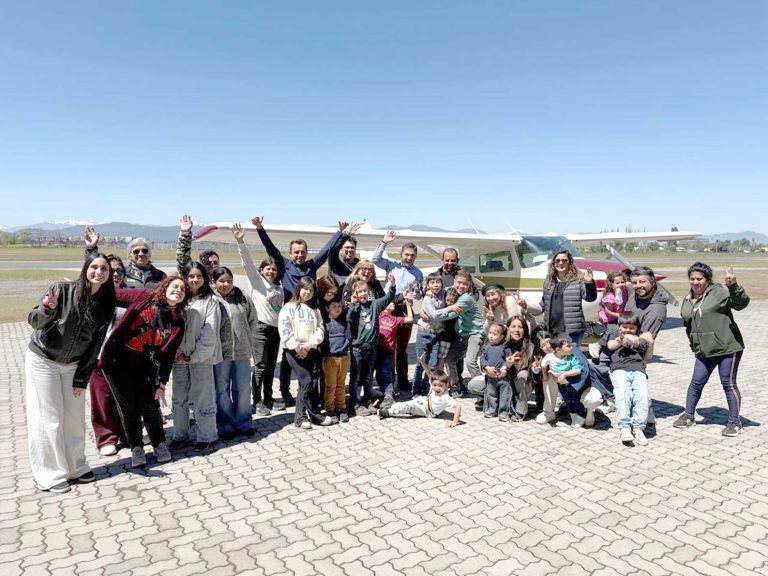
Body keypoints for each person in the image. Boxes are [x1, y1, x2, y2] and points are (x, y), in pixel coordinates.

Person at [26, 253, 116, 493]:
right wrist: (47, 308)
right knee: (49, 418)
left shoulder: (106, 305)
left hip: (73, 365)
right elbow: (34, 321)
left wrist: (82, 377)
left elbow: (96, 345)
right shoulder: (62, 290)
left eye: (104, 269)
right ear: (86, 268)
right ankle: (50, 474)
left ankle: (76, 466)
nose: (99, 272)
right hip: (43, 360)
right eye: (94, 267)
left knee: (74, 418)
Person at [252, 215, 346, 411]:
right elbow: (271, 249)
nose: (300, 255)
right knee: (288, 357)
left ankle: (312, 393)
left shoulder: (312, 265)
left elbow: (326, 250)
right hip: (290, 317)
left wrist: (339, 233)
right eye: (296, 252)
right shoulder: (285, 265)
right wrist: (260, 229)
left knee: (311, 355)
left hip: (309, 317)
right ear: (290, 253)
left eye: (303, 252)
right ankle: (285, 392)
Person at [101, 276, 189, 468]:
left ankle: (159, 444)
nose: (178, 290)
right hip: (117, 362)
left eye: (182, 289)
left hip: (146, 365)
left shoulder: (178, 322)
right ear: (165, 287)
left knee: (150, 406)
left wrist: (162, 383)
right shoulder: (144, 297)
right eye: (175, 286)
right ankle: (136, 447)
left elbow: (168, 356)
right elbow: (113, 294)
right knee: (128, 408)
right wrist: (83, 288)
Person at [674, 263, 749, 437]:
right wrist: (694, 345)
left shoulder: (719, 293)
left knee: (728, 384)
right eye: (692, 279)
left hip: (727, 348)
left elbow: (741, 304)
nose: (695, 282)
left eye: (699, 279)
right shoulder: (687, 299)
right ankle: (688, 415)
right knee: (696, 383)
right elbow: (688, 325)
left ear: (707, 279)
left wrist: (733, 286)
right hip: (704, 350)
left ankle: (734, 422)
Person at [169, 262, 221, 454]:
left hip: (200, 359)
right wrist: (177, 354)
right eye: (191, 276)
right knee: (179, 399)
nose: (194, 279)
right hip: (178, 359)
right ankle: (179, 435)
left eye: (198, 276)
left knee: (203, 398)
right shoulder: (179, 299)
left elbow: (209, 331)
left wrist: (195, 356)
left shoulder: (210, 301)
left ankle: (206, 435)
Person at [233, 224, 284, 416]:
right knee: (260, 366)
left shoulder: (278, 287)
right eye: (267, 269)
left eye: (273, 269)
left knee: (270, 366)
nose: (271, 272)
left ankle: (269, 398)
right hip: (260, 329)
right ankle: (257, 401)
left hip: (275, 330)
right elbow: (247, 263)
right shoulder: (256, 281)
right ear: (261, 270)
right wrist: (241, 242)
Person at [539, 250, 596, 397]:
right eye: (557, 260)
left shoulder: (578, 280)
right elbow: (542, 305)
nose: (560, 263)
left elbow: (590, 298)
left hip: (572, 331)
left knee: (580, 365)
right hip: (554, 332)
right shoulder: (549, 283)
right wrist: (525, 306)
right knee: (560, 366)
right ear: (553, 263)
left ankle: (602, 394)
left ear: (570, 262)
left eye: (564, 260)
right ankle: (564, 398)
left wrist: (589, 282)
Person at [277, 277, 333, 429]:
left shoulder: (314, 310)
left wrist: (309, 345)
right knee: (306, 381)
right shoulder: (288, 308)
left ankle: (300, 418)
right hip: (293, 351)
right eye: (305, 289)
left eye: (311, 290)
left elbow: (320, 329)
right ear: (299, 289)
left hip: (310, 350)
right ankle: (315, 415)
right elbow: (285, 329)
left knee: (307, 384)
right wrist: (297, 347)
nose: (307, 292)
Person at [372, 230, 423, 394]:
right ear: (401, 254)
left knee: (402, 348)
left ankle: (402, 381)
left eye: (412, 255)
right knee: (388, 346)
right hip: (389, 309)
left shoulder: (418, 273)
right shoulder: (391, 264)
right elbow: (375, 259)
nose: (409, 258)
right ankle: (389, 382)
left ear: (415, 257)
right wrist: (384, 242)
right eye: (406, 254)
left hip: (404, 311)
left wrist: (418, 291)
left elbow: (420, 294)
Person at [211, 266, 258, 440]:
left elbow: (253, 319)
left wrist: (244, 336)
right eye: (221, 281)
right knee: (221, 390)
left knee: (243, 389)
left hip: (242, 352)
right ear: (214, 282)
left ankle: (244, 423)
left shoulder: (242, 296)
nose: (226, 284)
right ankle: (226, 425)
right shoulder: (210, 299)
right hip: (219, 354)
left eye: (229, 280)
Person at [427, 271, 484, 402]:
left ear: (470, 286)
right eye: (459, 282)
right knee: (450, 359)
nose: (461, 286)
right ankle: (456, 386)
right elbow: (441, 290)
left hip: (475, 334)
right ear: (454, 282)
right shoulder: (455, 293)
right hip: (464, 335)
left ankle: (483, 391)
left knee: (470, 361)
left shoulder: (465, 299)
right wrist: (429, 292)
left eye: (465, 284)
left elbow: (449, 314)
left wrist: (434, 313)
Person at [347, 274, 396, 416]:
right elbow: (349, 319)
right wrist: (353, 304)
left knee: (368, 376)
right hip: (357, 348)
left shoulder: (375, 305)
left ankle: (367, 399)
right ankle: (354, 402)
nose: (363, 294)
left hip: (371, 348)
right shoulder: (355, 307)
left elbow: (388, 298)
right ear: (355, 294)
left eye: (365, 291)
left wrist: (392, 286)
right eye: (359, 292)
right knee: (355, 377)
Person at [599, 311, 651, 445]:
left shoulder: (640, 337)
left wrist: (649, 342)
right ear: (619, 326)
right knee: (623, 394)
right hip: (619, 369)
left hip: (638, 369)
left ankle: (639, 427)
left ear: (637, 328)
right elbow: (610, 346)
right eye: (625, 327)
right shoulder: (615, 335)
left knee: (642, 396)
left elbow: (647, 356)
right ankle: (625, 428)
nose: (628, 330)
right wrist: (621, 341)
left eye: (632, 328)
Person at [540, 333, 601, 428]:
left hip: (573, 384)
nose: (571, 348)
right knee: (567, 400)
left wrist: (564, 375)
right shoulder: (549, 356)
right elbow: (543, 365)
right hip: (561, 384)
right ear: (558, 349)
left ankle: (582, 415)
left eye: (571, 345)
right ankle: (573, 416)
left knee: (575, 399)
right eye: (568, 346)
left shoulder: (571, 357)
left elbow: (578, 370)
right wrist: (545, 375)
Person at [378, 370, 461, 428]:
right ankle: (388, 407)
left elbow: (458, 407)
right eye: (435, 385)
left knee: (408, 406)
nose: (437, 388)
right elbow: (429, 373)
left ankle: (386, 412)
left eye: (440, 386)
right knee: (405, 404)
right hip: (424, 400)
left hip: (426, 410)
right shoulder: (434, 384)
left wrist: (454, 421)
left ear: (446, 385)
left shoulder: (445, 397)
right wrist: (422, 362)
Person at [376, 297, 414, 408]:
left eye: (393, 303)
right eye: (389, 302)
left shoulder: (395, 319)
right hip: (377, 348)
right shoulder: (379, 315)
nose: (392, 304)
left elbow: (410, 319)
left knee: (386, 371)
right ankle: (381, 392)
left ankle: (389, 394)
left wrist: (407, 304)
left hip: (388, 350)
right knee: (378, 372)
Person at [321, 299, 350, 422]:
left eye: (339, 306)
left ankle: (341, 408)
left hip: (343, 357)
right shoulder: (325, 323)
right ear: (328, 308)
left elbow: (349, 336)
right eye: (334, 306)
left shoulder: (344, 322)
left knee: (341, 385)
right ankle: (330, 409)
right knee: (330, 386)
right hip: (330, 358)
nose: (337, 308)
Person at [480, 323, 514, 421]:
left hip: (503, 376)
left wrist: (505, 367)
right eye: (490, 333)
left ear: (502, 337)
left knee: (504, 394)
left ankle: (503, 412)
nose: (491, 335)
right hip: (491, 375)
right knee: (491, 393)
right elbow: (483, 359)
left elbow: (508, 360)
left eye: (495, 334)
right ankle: (492, 409)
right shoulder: (486, 347)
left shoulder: (505, 347)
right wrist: (487, 367)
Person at [506, 315, 535, 421]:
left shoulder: (530, 347)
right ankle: (488, 401)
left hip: (522, 383)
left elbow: (533, 374)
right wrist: (506, 365)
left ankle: (520, 412)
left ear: (525, 330)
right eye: (513, 326)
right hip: (505, 382)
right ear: (508, 328)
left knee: (523, 375)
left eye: (520, 327)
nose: (516, 330)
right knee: (473, 385)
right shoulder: (501, 344)